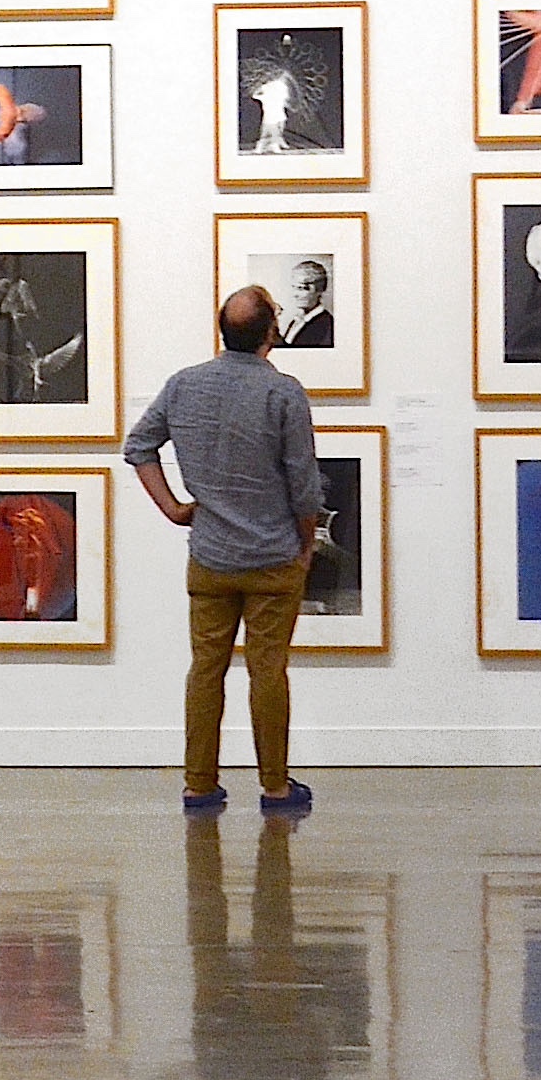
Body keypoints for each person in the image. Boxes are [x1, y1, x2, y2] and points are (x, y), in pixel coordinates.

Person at [123, 286, 326, 819]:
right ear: (269, 333)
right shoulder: (283, 393)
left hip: (210, 555)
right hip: (273, 558)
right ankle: (276, 789)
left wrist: (174, 508)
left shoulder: (184, 385)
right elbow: (304, 486)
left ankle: (199, 786)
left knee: (205, 671)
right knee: (268, 672)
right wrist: (305, 545)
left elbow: (138, 446)